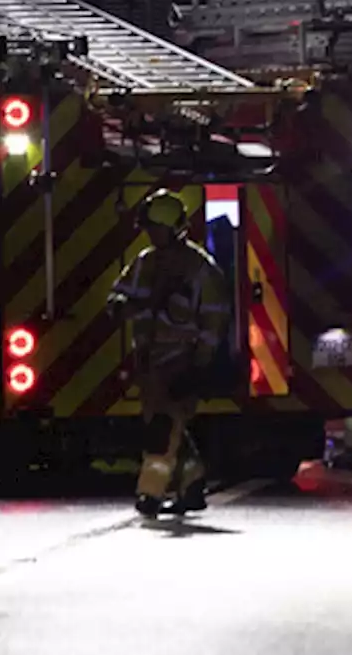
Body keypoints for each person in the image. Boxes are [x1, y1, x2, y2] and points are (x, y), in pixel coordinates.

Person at [107, 190, 231, 518]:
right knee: (169, 426)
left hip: (182, 360)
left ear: (174, 227)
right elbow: (119, 296)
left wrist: (201, 364)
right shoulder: (146, 261)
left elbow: (214, 318)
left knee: (161, 429)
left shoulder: (200, 269)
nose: (152, 234)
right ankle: (192, 484)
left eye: (156, 228)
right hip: (149, 360)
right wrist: (120, 305)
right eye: (149, 228)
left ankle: (150, 492)